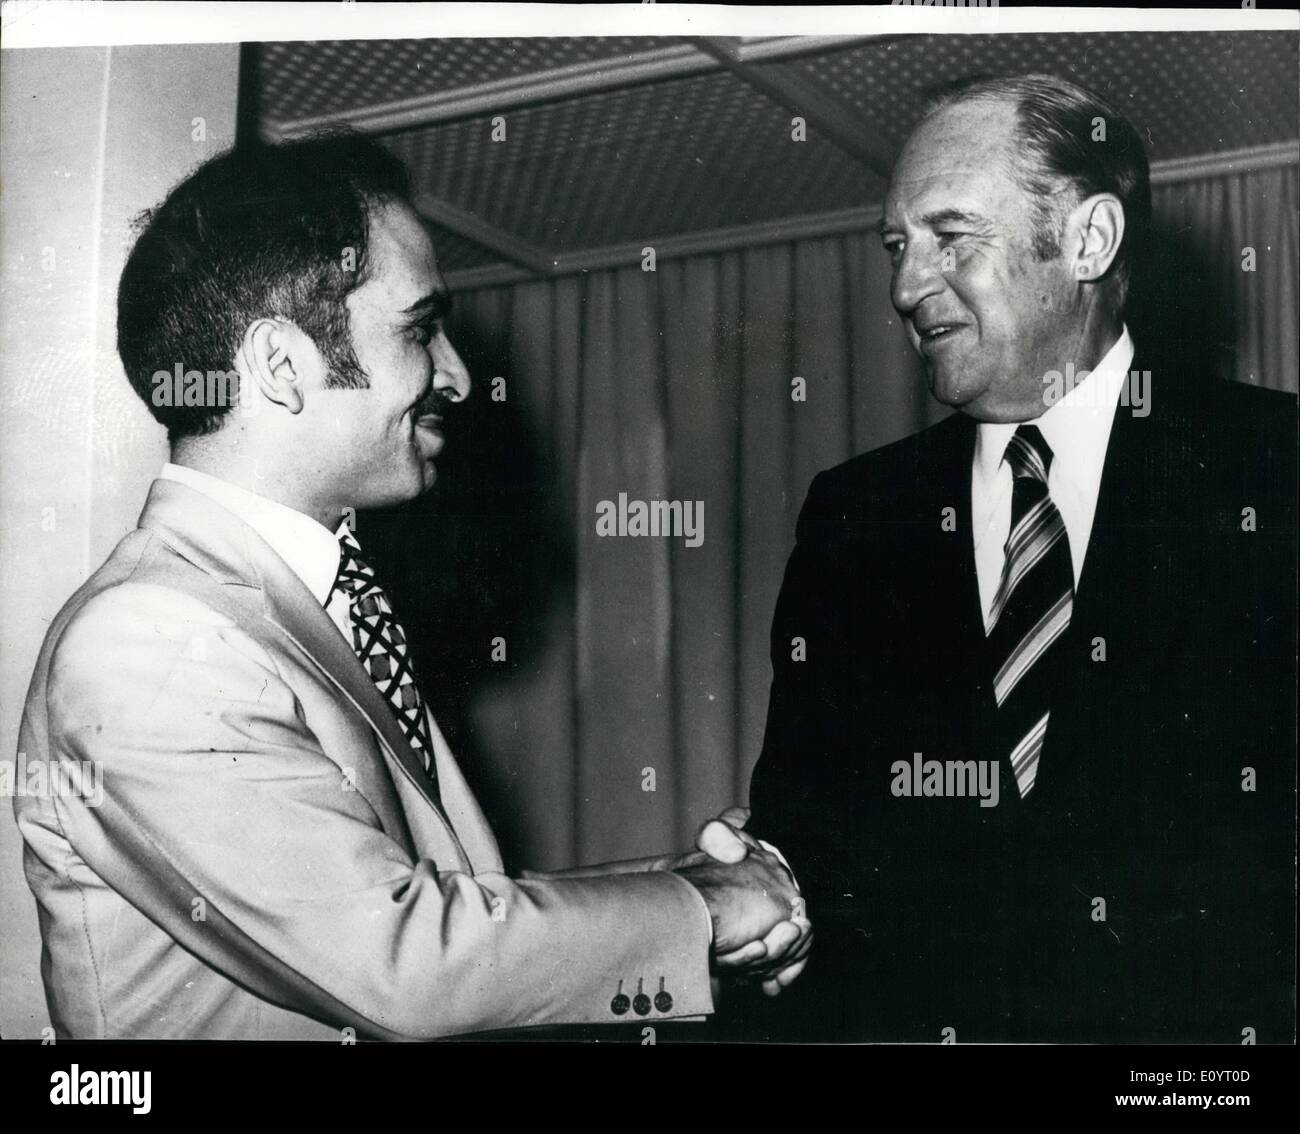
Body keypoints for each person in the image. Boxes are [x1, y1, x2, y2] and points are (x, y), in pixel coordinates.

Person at [13, 132, 809, 1040]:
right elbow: (405, 966)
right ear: (281, 365)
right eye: (421, 329)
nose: (459, 377)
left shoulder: (303, 606)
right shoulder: (149, 642)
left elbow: (443, 907)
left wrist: (681, 898)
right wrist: (701, 911)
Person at [735, 74, 1295, 1043]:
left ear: (1089, 240)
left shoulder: (1276, 470)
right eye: (896, 248)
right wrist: (769, 891)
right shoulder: (852, 518)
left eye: (949, 236)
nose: (905, 286)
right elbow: (809, 826)